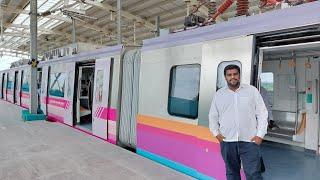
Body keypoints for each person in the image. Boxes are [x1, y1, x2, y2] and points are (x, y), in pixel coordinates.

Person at [209, 64, 268, 180]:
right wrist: (216, 133)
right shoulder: (219, 95)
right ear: (225, 77)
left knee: (254, 174)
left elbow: (262, 113)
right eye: (229, 75)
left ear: (239, 75)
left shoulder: (252, 91)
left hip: (249, 141)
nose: (232, 77)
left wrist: (260, 135)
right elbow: (213, 116)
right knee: (231, 173)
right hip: (227, 141)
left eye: (235, 74)